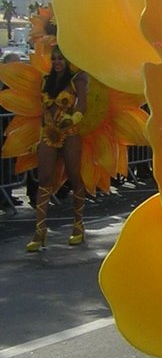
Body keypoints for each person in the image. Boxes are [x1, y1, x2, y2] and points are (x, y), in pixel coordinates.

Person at [26, 44, 88, 251]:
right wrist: (39, 138)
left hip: (69, 134)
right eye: (54, 59)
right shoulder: (46, 81)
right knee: (44, 179)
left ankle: (78, 226)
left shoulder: (77, 79)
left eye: (61, 59)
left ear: (67, 60)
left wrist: (74, 118)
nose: (57, 63)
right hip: (49, 134)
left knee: (74, 177)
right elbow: (43, 113)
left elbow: (82, 105)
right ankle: (39, 231)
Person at [0, 51, 23, 211]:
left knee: (8, 166)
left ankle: (7, 194)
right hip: (4, 128)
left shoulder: (17, 83)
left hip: (10, 130)